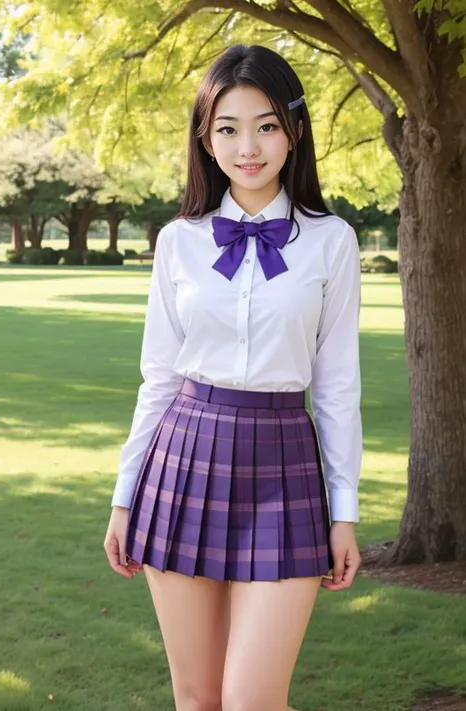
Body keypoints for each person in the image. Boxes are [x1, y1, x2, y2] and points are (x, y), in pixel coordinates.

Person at [104, 43, 363, 711]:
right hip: (184, 457)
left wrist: (344, 512)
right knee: (197, 698)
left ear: (295, 131)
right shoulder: (179, 240)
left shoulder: (332, 240)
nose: (248, 146)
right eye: (228, 128)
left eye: (266, 125)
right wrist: (123, 495)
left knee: (252, 699)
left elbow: (337, 386)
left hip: (285, 465)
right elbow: (156, 377)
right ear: (206, 137)